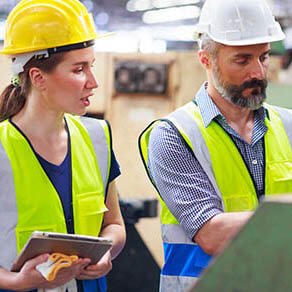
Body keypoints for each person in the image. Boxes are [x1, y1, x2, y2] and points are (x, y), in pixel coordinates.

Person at [139, 0, 292, 291]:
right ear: (206, 59)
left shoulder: (289, 126)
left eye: (264, 57)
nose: (258, 73)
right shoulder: (174, 135)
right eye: (242, 60)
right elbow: (212, 234)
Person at [0, 0, 125, 291]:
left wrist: (108, 251)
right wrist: (17, 281)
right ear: (38, 77)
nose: (93, 82)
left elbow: (114, 225)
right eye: (79, 69)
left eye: (91, 67)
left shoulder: (98, 137)